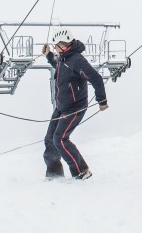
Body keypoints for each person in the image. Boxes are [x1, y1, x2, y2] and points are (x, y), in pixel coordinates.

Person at [42, 28, 109, 180]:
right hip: (61, 107)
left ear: (62, 46)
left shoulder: (77, 60)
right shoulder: (64, 58)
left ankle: (82, 172)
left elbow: (96, 78)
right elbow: (59, 66)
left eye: (55, 47)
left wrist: (102, 100)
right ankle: (54, 175)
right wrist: (49, 55)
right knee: (50, 139)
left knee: (60, 139)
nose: (54, 49)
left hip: (75, 108)